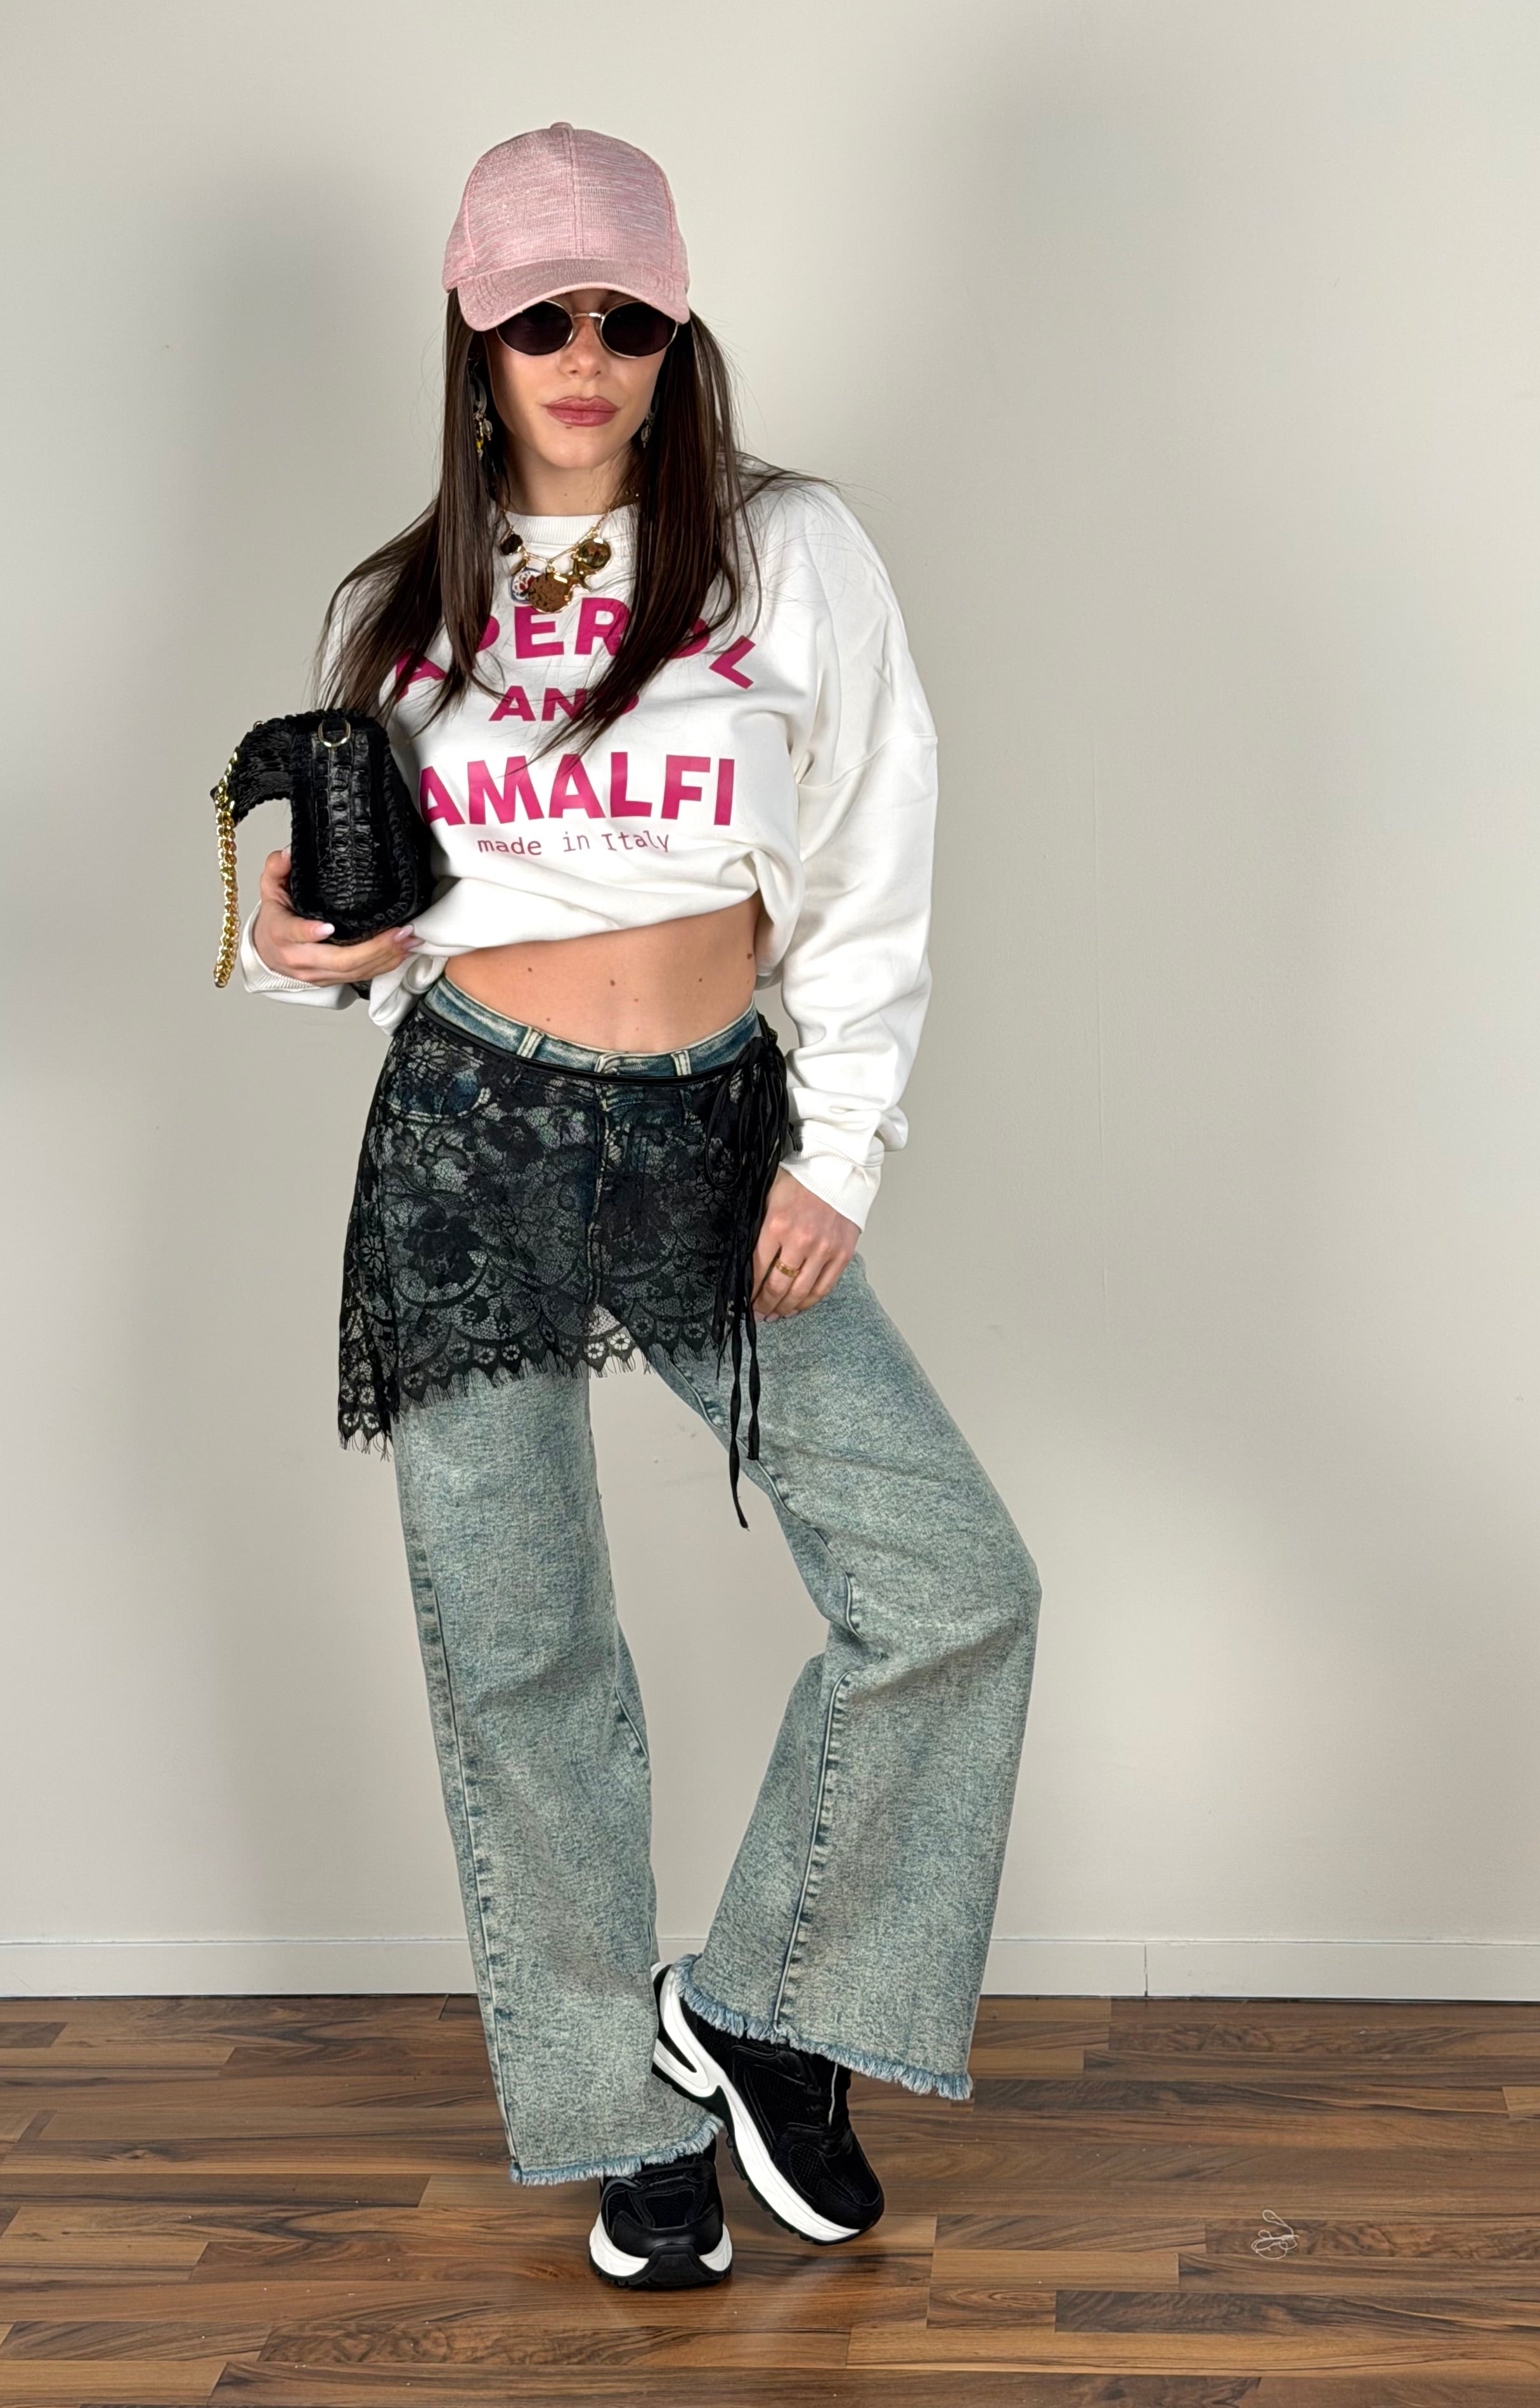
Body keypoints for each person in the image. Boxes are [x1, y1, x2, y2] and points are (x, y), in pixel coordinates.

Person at [235, 122, 1042, 2290]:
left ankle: (763, 2007)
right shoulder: (403, 609)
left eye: (624, 316)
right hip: (469, 1134)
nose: (581, 356)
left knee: (952, 1582)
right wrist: (292, 948)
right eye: (537, 317)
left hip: (711, 1130)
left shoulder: (787, 553)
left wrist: (836, 1147)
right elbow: (353, 927)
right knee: (522, 1651)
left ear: (678, 333)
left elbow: (871, 852)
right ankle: (618, 2114)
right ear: (472, 338)